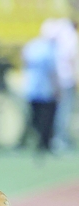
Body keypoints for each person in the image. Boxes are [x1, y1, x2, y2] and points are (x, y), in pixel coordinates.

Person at [22, 20, 60, 153]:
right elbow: (52, 71)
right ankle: (44, 144)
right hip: (46, 89)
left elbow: (25, 63)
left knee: (34, 117)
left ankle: (29, 142)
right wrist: (57, 88)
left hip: (31, 88)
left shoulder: (32, 45)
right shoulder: (51, 48)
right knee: (47, 118)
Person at [52, 18, 77, 151]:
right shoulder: (70, 36)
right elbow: (71, 59)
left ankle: (59, 139)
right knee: (64, 111)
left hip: (59, 79)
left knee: (62, 111)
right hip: (67, 80)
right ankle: (60, 140)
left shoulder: (60, 34)